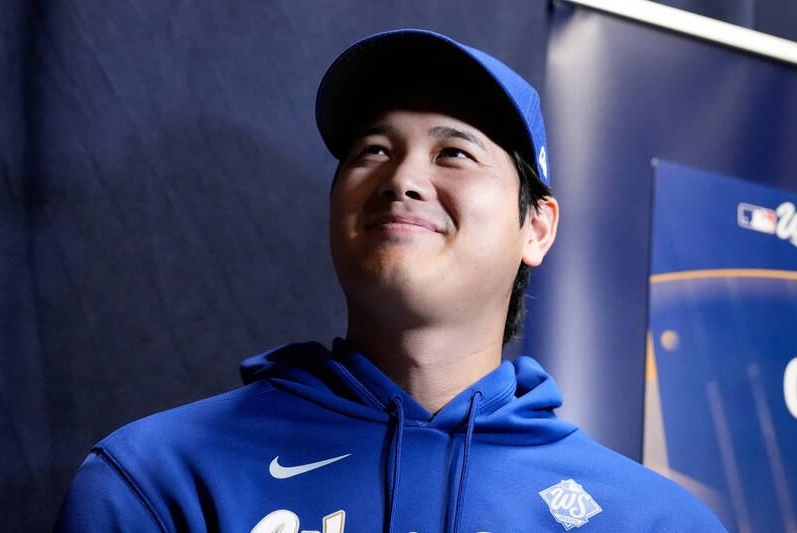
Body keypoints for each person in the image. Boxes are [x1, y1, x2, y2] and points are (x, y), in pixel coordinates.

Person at [54, 29, 726, 532]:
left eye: (453, 152)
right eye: (372, 150)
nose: (401, 178)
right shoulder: (157, 478)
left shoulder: (656, 521)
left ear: (537, 227)